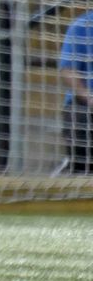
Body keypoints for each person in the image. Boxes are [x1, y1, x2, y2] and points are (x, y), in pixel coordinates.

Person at [58, 10, 93, 175]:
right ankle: (79, 173)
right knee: (78, 116)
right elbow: (68, 70)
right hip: (85, 104)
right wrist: (89, 97)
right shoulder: (82, 25)